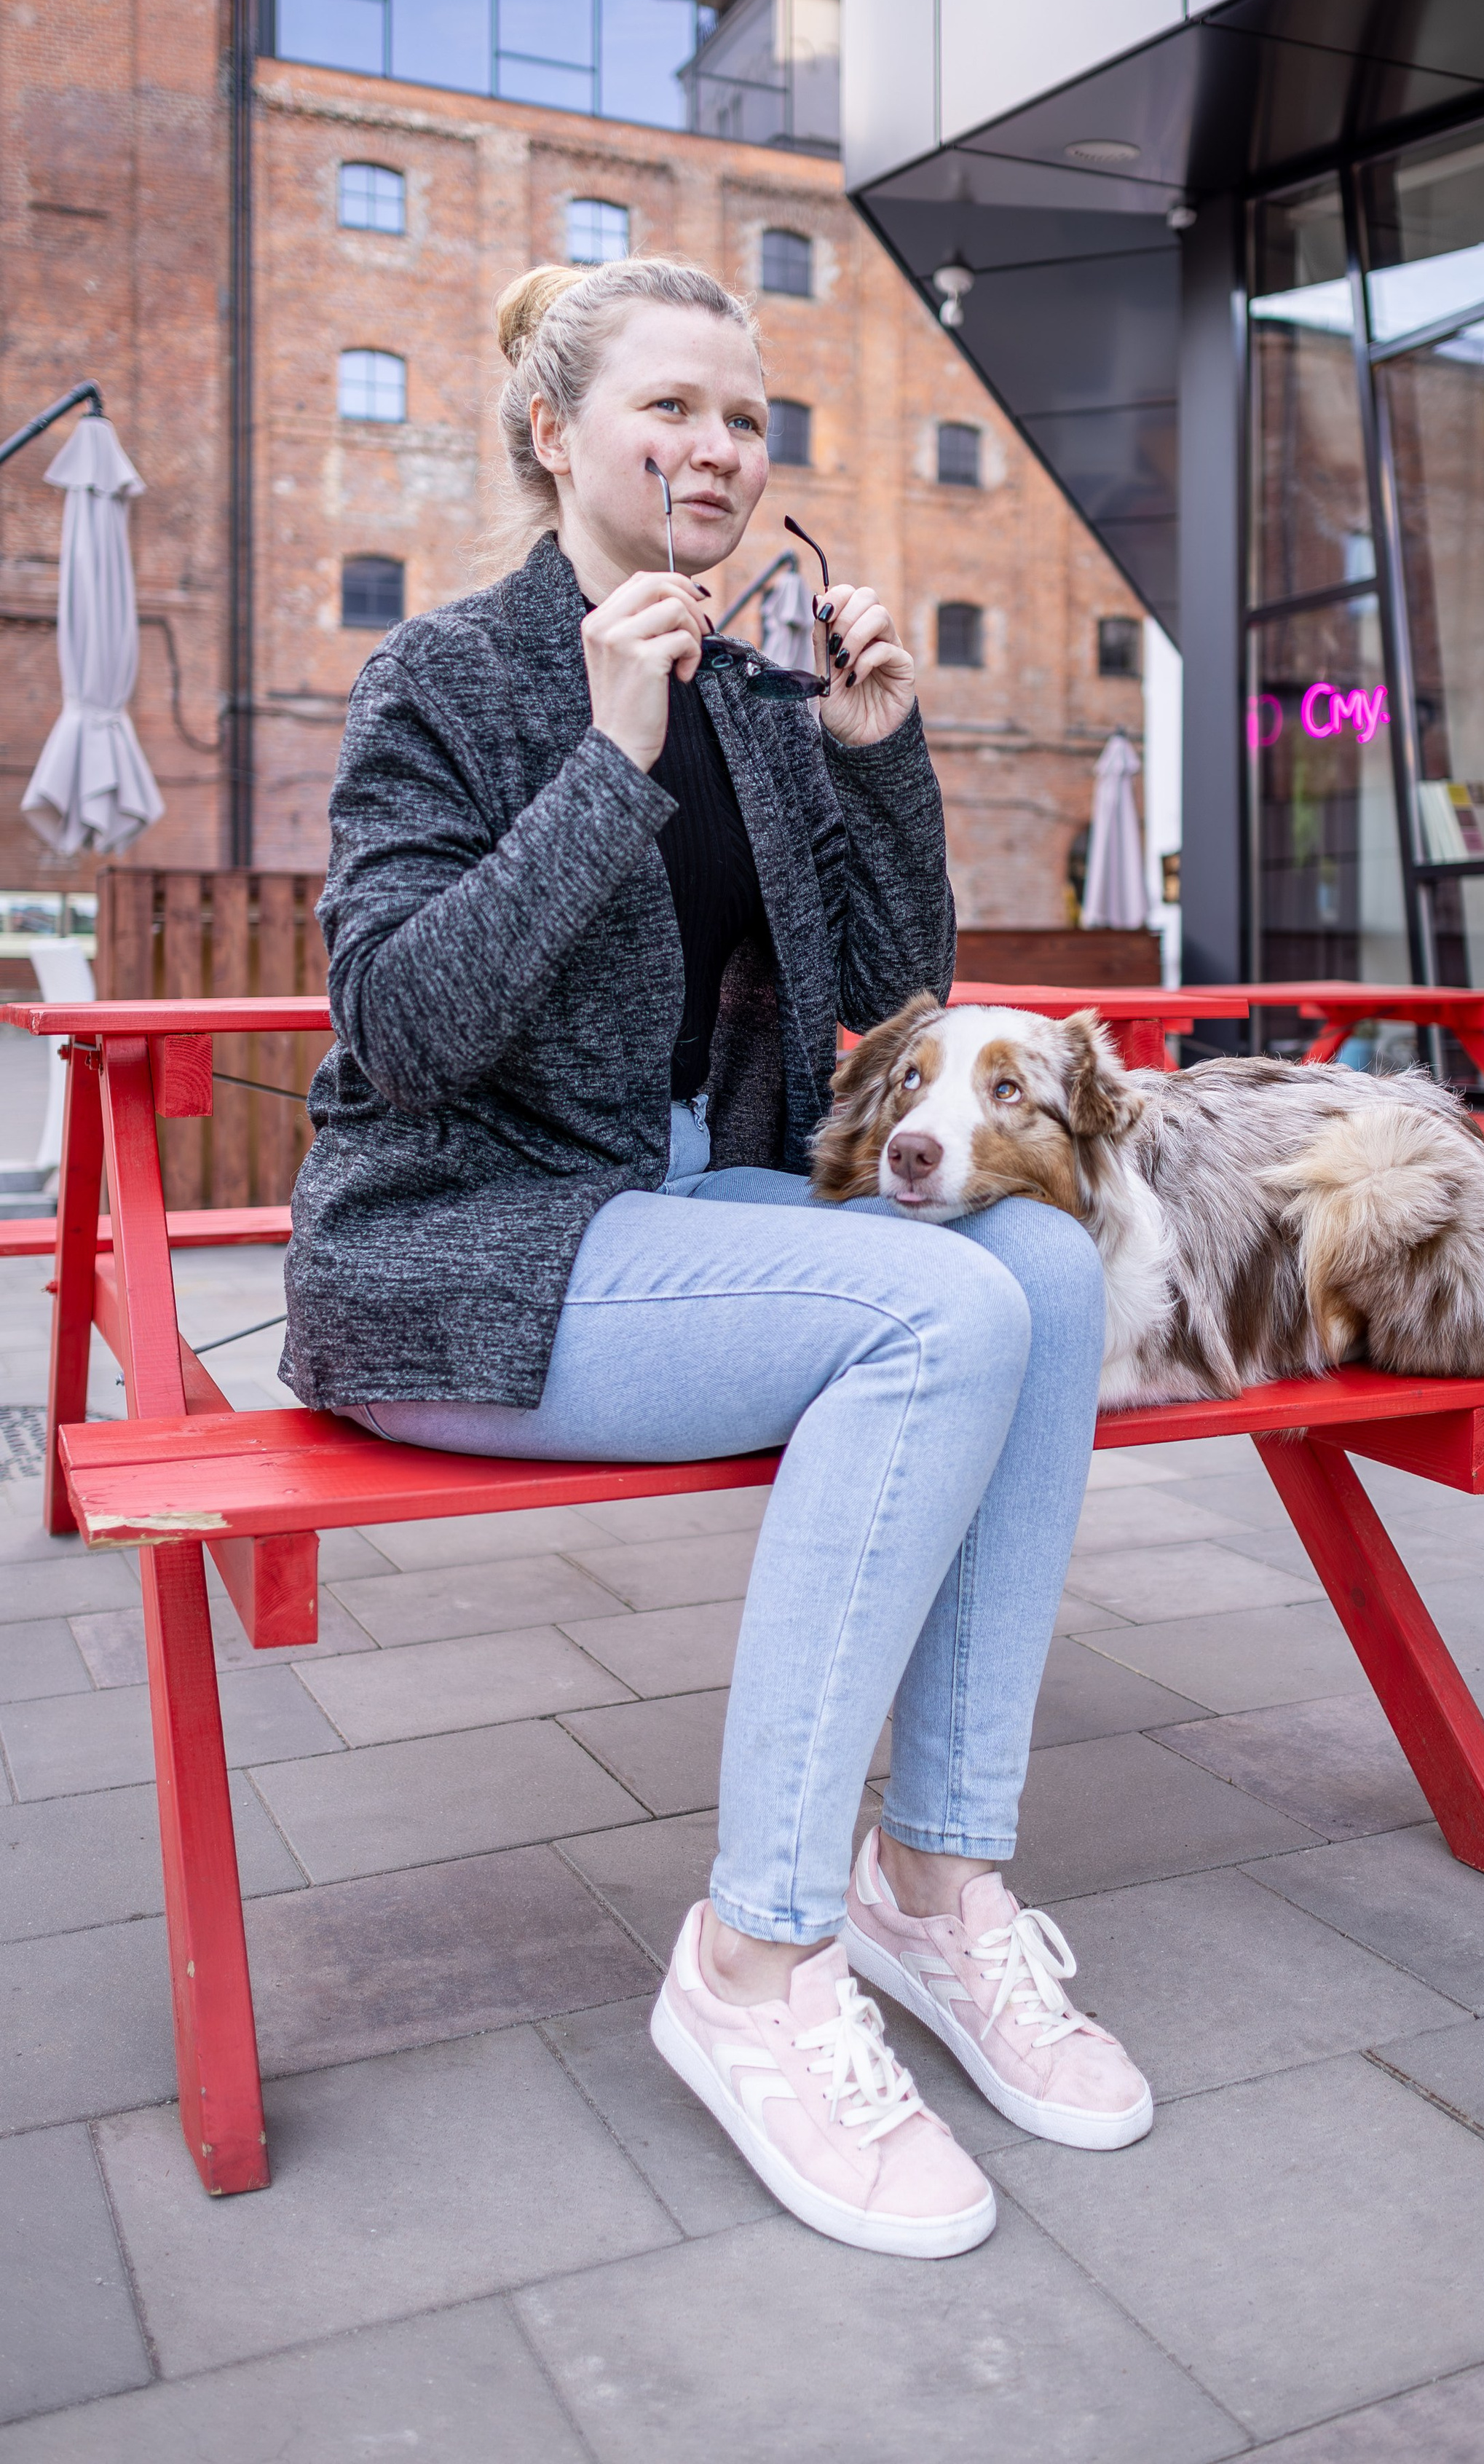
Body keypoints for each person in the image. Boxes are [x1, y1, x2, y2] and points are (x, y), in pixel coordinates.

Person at [281, 256, 1152, 2258]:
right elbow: (405, 1028)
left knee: (1042, 1273)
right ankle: (757, 1960)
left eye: (743, 419)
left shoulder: (761, 707)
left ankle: (931, 1886)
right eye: (669, 407)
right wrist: (604, 758)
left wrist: (869, 751)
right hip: (466, 1251)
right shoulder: (447, 677)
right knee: (939, 1310)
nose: (714, 448)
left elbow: (898, 993)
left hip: (680, 1214)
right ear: (554, 434)